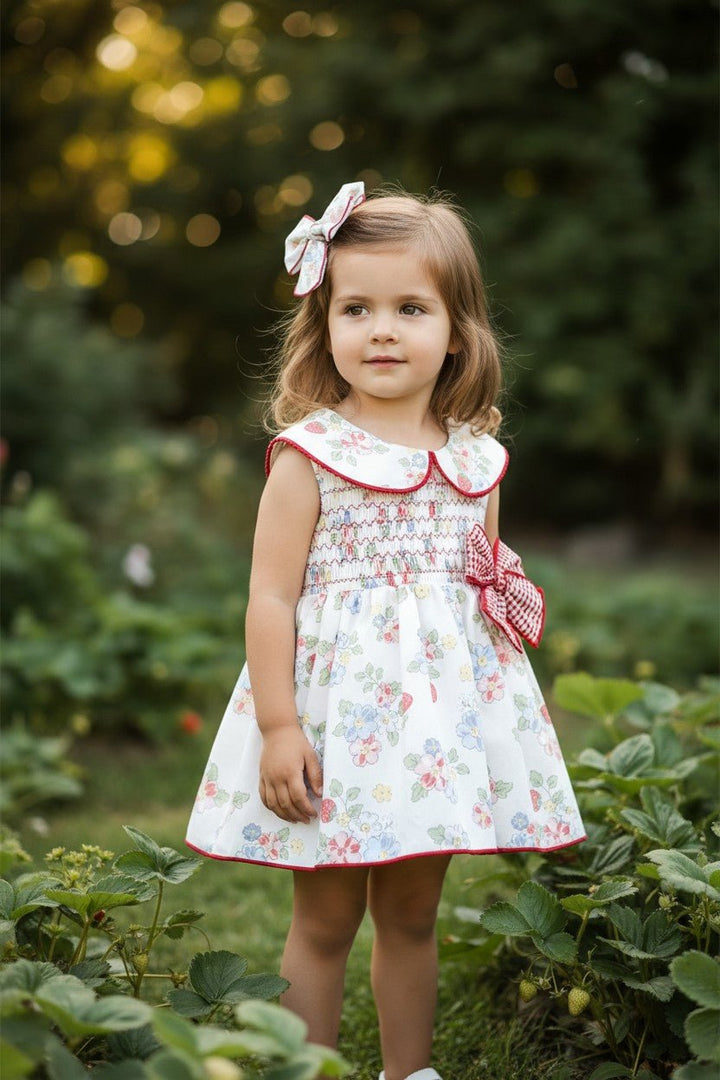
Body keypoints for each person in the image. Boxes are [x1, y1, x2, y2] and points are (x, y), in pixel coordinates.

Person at [186, 182, 586, 1080]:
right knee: (325, 920)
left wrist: (515, 719)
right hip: (336, 725)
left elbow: (487, 594)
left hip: (435, 736)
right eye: (355, 308)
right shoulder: (312, 457)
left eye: (411, 308)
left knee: (412, 916)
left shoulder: (477, 460)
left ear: (458, 331)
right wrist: (281, 726)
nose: (381, 330)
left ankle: (410, 1073)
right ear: (323, 324)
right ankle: (309, 1069)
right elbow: (270, 599)